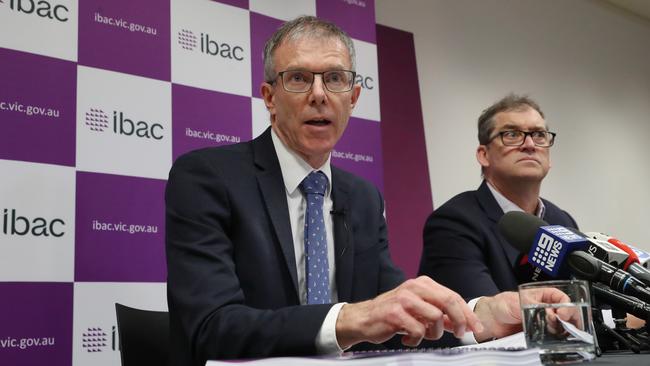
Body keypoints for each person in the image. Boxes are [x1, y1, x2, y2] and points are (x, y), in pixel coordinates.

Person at [166, 18, 565, 365]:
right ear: (270, 98)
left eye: (335, 78)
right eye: (299, 78)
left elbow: (397, 317)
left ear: (353, 99)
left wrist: (482, 315)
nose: (319, 94)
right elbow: (210, 328)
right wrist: (351, 319)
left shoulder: (363, 198)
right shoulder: (207, 177)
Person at [418, 94, 578, 300]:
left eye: (539, 134)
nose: (530, 144)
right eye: (512, 134)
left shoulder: (563, 221)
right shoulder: (454, 222)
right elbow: (481, 320)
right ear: (484, 155)